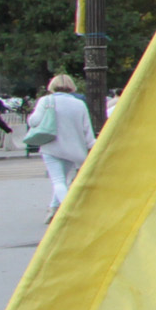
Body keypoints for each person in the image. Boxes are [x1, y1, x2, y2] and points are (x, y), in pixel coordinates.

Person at [31, 75, 95, 214]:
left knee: (58, 180)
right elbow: (87, 128)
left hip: (51, 145)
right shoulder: (79, 104)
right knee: (63, 179)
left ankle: (68, 210)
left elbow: (34, 121)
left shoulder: (46, 100)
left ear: (52, 86)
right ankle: (53, 208)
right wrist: (91, 145)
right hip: (73, 149)